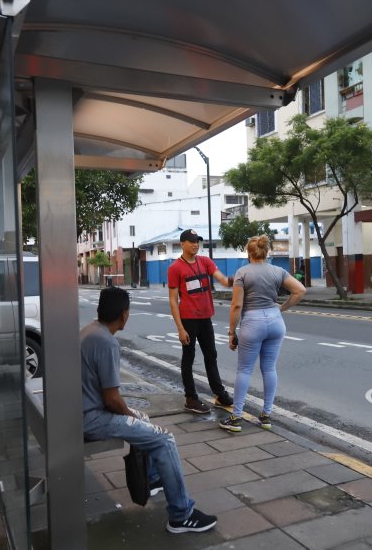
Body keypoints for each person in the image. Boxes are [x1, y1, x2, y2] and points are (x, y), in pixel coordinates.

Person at [81, 287, 219, 534]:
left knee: (143, 418)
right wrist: (130, 415)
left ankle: (153, 478)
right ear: (124, 315)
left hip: (79, 409)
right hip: (89, 418)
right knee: (165, 439)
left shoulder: (91, 330)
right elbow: (112, 400)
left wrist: (134, 417)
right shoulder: (106, 342)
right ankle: (182, 515)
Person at [219, 235, 306, 433]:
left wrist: (231, 332)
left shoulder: (242, 273)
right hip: (275, 321)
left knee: (244, 370)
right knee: (269, 368)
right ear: (266, 252)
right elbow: (300, 290)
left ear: (248, 253)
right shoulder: (278, 271)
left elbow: (236, 305)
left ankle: (236, 418)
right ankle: (266, 415)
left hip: (252, 322)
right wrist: (282, 307)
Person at [167, 229, 235, 414]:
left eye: (197, 241)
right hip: (188, 320)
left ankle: (219, 394)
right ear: (182, 244)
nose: (195, 244)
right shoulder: (175, 268)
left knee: (211, 355)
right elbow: (173, 300)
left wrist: (235, 279)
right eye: (191, 241)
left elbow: (222, 279)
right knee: (188, 358)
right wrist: (180, 328)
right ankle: (190, 398)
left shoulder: (205, 261)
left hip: (205, 318)